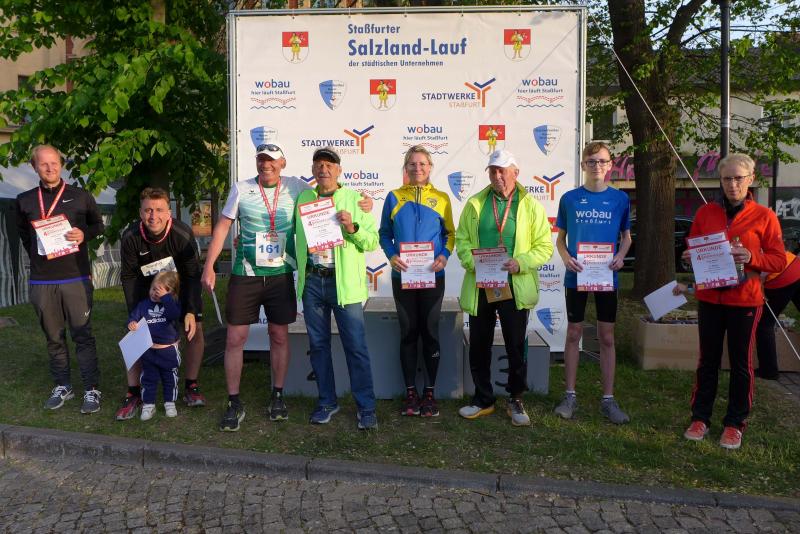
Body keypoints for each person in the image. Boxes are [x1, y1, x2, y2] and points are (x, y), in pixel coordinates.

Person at [201, 143, 372, 432]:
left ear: (283, 163)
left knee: (286, 337)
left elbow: (359, 225)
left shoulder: (302, 190)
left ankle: (285, 397)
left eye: (271, 160)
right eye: (261, 159)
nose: (266, 164)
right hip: (250, 274)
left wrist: (363, 207)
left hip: (285, 276)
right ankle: (235, 401)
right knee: (238, 338)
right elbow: (222, 226)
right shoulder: (250, 189)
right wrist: (209, 265)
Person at [674, 153, 784, 450]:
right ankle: (700, 418)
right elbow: (693, 249)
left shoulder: (764, 216)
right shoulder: (705, 213)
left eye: (738, 178)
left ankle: (735, 423)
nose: (733, 184)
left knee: (741, 364)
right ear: (720, 181)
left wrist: (751, 256)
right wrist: (689, 257)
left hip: (745, 301)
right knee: (707, 361)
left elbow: (777, 259)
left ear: (750, 180)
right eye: (727, 179)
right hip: (710, 298)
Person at [455, 149, 553, 426]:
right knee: (479, 344)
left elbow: (544, 246)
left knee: (515, 345)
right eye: (492, 171)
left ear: (515, 173)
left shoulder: (530, 205)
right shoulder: (475, 203)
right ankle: (483, 399)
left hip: (514, 285)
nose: (497, 176)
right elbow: (462, 240)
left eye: (502, 170)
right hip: (482, 283)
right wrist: (473, 262)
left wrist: (521, 263)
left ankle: (516, 398)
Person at [15, 144, 104, 414]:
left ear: (61, 164)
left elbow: (98, 225)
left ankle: (91, 388)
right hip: (42, 280)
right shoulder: (24, 200)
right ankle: (63, 385)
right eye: (43, 164)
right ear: (34, 167)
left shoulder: (80, 196)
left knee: (82, 334)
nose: (50, 168)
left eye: (54, 163)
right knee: (53, 337)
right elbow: (24, 235)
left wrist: (84, 234)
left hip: (75, 276)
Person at [295, 147, 379, 430]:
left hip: (344, 285)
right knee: (318, 346)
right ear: (313, 170)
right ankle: (327, 402)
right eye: (319, 164)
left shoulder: (355, 199)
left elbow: (372, 241)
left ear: (339, 170)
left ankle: (366, 407)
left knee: (355, 346)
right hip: (313, 281)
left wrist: (352, 227)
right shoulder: (304, 198)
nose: (324, 169)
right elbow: (294, 236)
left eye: (329, 165)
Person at [553, 141, 633, 425]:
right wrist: (566, 258)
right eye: (591, 161)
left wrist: (621, 256)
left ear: (610, 165)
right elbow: (560, 239)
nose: (596, 165)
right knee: (573, 333)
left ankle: (608, 399)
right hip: (576, 274)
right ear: (583, 164)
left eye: (601, 161)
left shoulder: (620, 199)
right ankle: (570, 396)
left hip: (606, 275)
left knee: (607, 337)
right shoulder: (570, 199)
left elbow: (626, 237)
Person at [116, 187, 205, 420]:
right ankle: (133, 392)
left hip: (179, 287)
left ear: (168, 213)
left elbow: (193, 275)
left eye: (158, 210)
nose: (153, 216)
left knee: (195, 329)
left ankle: (191, 385)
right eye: (148, 210)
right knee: (135, 333)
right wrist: (135, 313)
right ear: (140, 213)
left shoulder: (181, 234)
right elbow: (128, 276)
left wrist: (190, 310)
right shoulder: (130, 236)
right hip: (146, 289)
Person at [379, 145, 455, 417]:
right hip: (403, 277)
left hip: (433, 276)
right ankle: (411, 393)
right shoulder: (394, 197)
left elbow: (450, 235)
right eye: (412, 163)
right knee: (409, 333)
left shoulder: (442, 198)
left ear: (430, 167)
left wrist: (444, 256)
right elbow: (384, 234)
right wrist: (391, 255)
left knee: (430, 333)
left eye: (422, 163)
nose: (418, 168)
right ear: (406, 167)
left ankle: (430, 393)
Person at [126, 271, 182, 421]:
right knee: (148, 379)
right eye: (153, 289)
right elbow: (133, 317)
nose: (155, 293)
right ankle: (148, 405)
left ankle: (170, 403)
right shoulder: (143, 305)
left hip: (168, 350)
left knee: (170, 378)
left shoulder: (172, 304)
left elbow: (174, 315)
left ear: (171, 293)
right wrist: (131, 323)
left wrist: (166, 298)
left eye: (159, 291)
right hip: (149, 350)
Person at [755, 251, 799, 380]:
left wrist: (760, 288)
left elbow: (761, 271)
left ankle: (768, 371)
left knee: (764, 323)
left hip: (780, 275)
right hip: (796, 265)